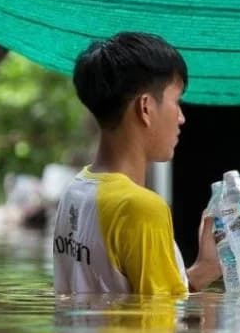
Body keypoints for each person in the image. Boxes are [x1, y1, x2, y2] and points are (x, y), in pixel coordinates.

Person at [52, 32, 195, 296]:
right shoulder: (142, 208)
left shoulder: (75, 193)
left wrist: (205, 269)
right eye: (177, 102)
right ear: (146, 108)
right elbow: (162, 325)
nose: (182, 118)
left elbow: (121, 295)